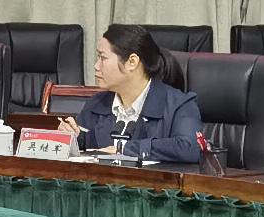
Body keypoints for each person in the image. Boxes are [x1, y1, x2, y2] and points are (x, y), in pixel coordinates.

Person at [74, 24, 201, 166]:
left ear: (132, 62)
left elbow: (190, 148)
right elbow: (88, 151)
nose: (96, 66)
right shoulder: (96, 104)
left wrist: (125, 149)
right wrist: (75, 139)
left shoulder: (180, 105)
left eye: (103, 58)